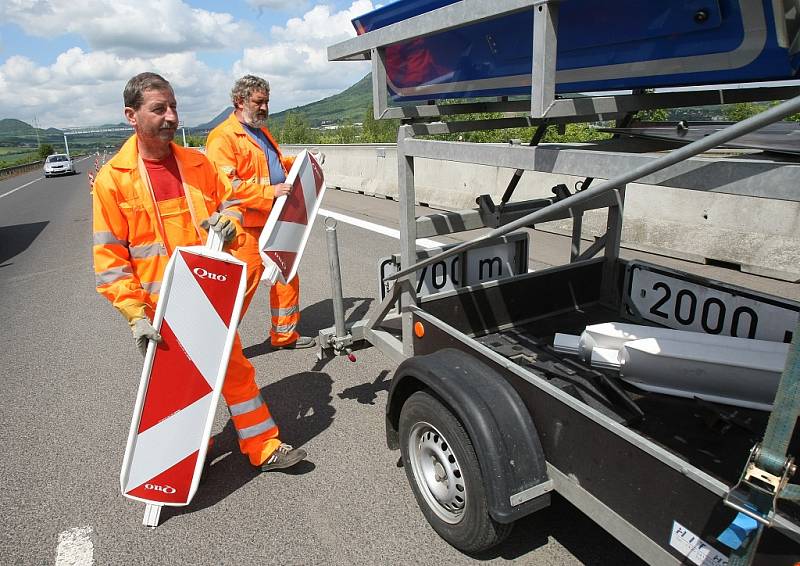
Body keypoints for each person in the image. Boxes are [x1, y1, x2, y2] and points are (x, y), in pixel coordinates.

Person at [92, 72, 306, 472]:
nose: (171, 116)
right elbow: (110, 261)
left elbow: (231, 205)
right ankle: (190, 455)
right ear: (131, 116)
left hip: (207, 294)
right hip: (158, 307)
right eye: (159, 109)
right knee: (179, 389)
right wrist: (136, 316)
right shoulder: (113, 182)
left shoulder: (197, 163)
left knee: (235, 369)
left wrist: (230, 221)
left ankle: (263, 445)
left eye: (173, 106)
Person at [206, 75, 315, 350]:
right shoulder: (223, 137)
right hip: (246, 226)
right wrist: (270, 193)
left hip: (273, 219)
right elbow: (226, 185)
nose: (265, 107)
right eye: (259, 101)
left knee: (286, 275)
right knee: (242, 286)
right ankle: (215, 347)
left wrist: (299, 162)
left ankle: (285, 335)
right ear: (239, 102)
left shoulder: (260, 131)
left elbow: (271, 165)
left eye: (267, 101)